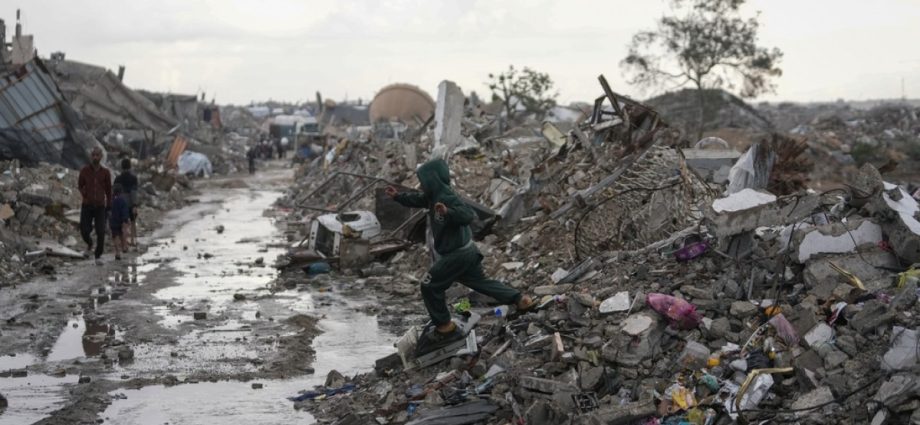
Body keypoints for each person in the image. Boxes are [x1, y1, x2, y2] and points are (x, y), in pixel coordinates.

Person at [387, 159, 533, 353]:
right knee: (482, 283)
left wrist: (448, 211)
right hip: (468, 251)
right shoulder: (433, 196)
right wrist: (398, 196)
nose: (421, 185)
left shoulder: (446, 196)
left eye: (423, 181)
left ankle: (445, 327)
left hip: (457, 255)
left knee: (429, 286)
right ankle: (520, 300)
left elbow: (467, 215)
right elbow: (417, 199)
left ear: (432, 180)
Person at [78, 147, 112, 265]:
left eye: (97, 155)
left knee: (101, 231)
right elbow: (80, 185)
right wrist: (85, 195)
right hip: (87, 205)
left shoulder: (105, 173)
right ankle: (89, 243)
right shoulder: (84, 171)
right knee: (84, 229)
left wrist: (109, 204)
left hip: (100, 206)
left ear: (101, 157)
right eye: (93, 155)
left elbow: (108, 190)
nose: (95, 157)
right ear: (91, 156)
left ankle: (98, 255)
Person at [114, 158, 139, 249]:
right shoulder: (133, 178)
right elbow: (134, 192)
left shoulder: (117, 178)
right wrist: (135, 205)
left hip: (120, 203)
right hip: (129, 203)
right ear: (130, 167)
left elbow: (115, 192)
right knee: (132, 222)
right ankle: (133, 240)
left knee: (122, 223)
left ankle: (123, 243)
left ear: (122, 167)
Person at [109, 184, 130, 260]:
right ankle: (124, 247)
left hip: (113, 221)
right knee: (122, 234)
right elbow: (124, 211)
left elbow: (108, 210)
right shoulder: (122, 200)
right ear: (121, 192)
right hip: (121, 221)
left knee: (115, 236)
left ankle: (117, 252)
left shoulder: (111, 200)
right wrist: (125, 220)